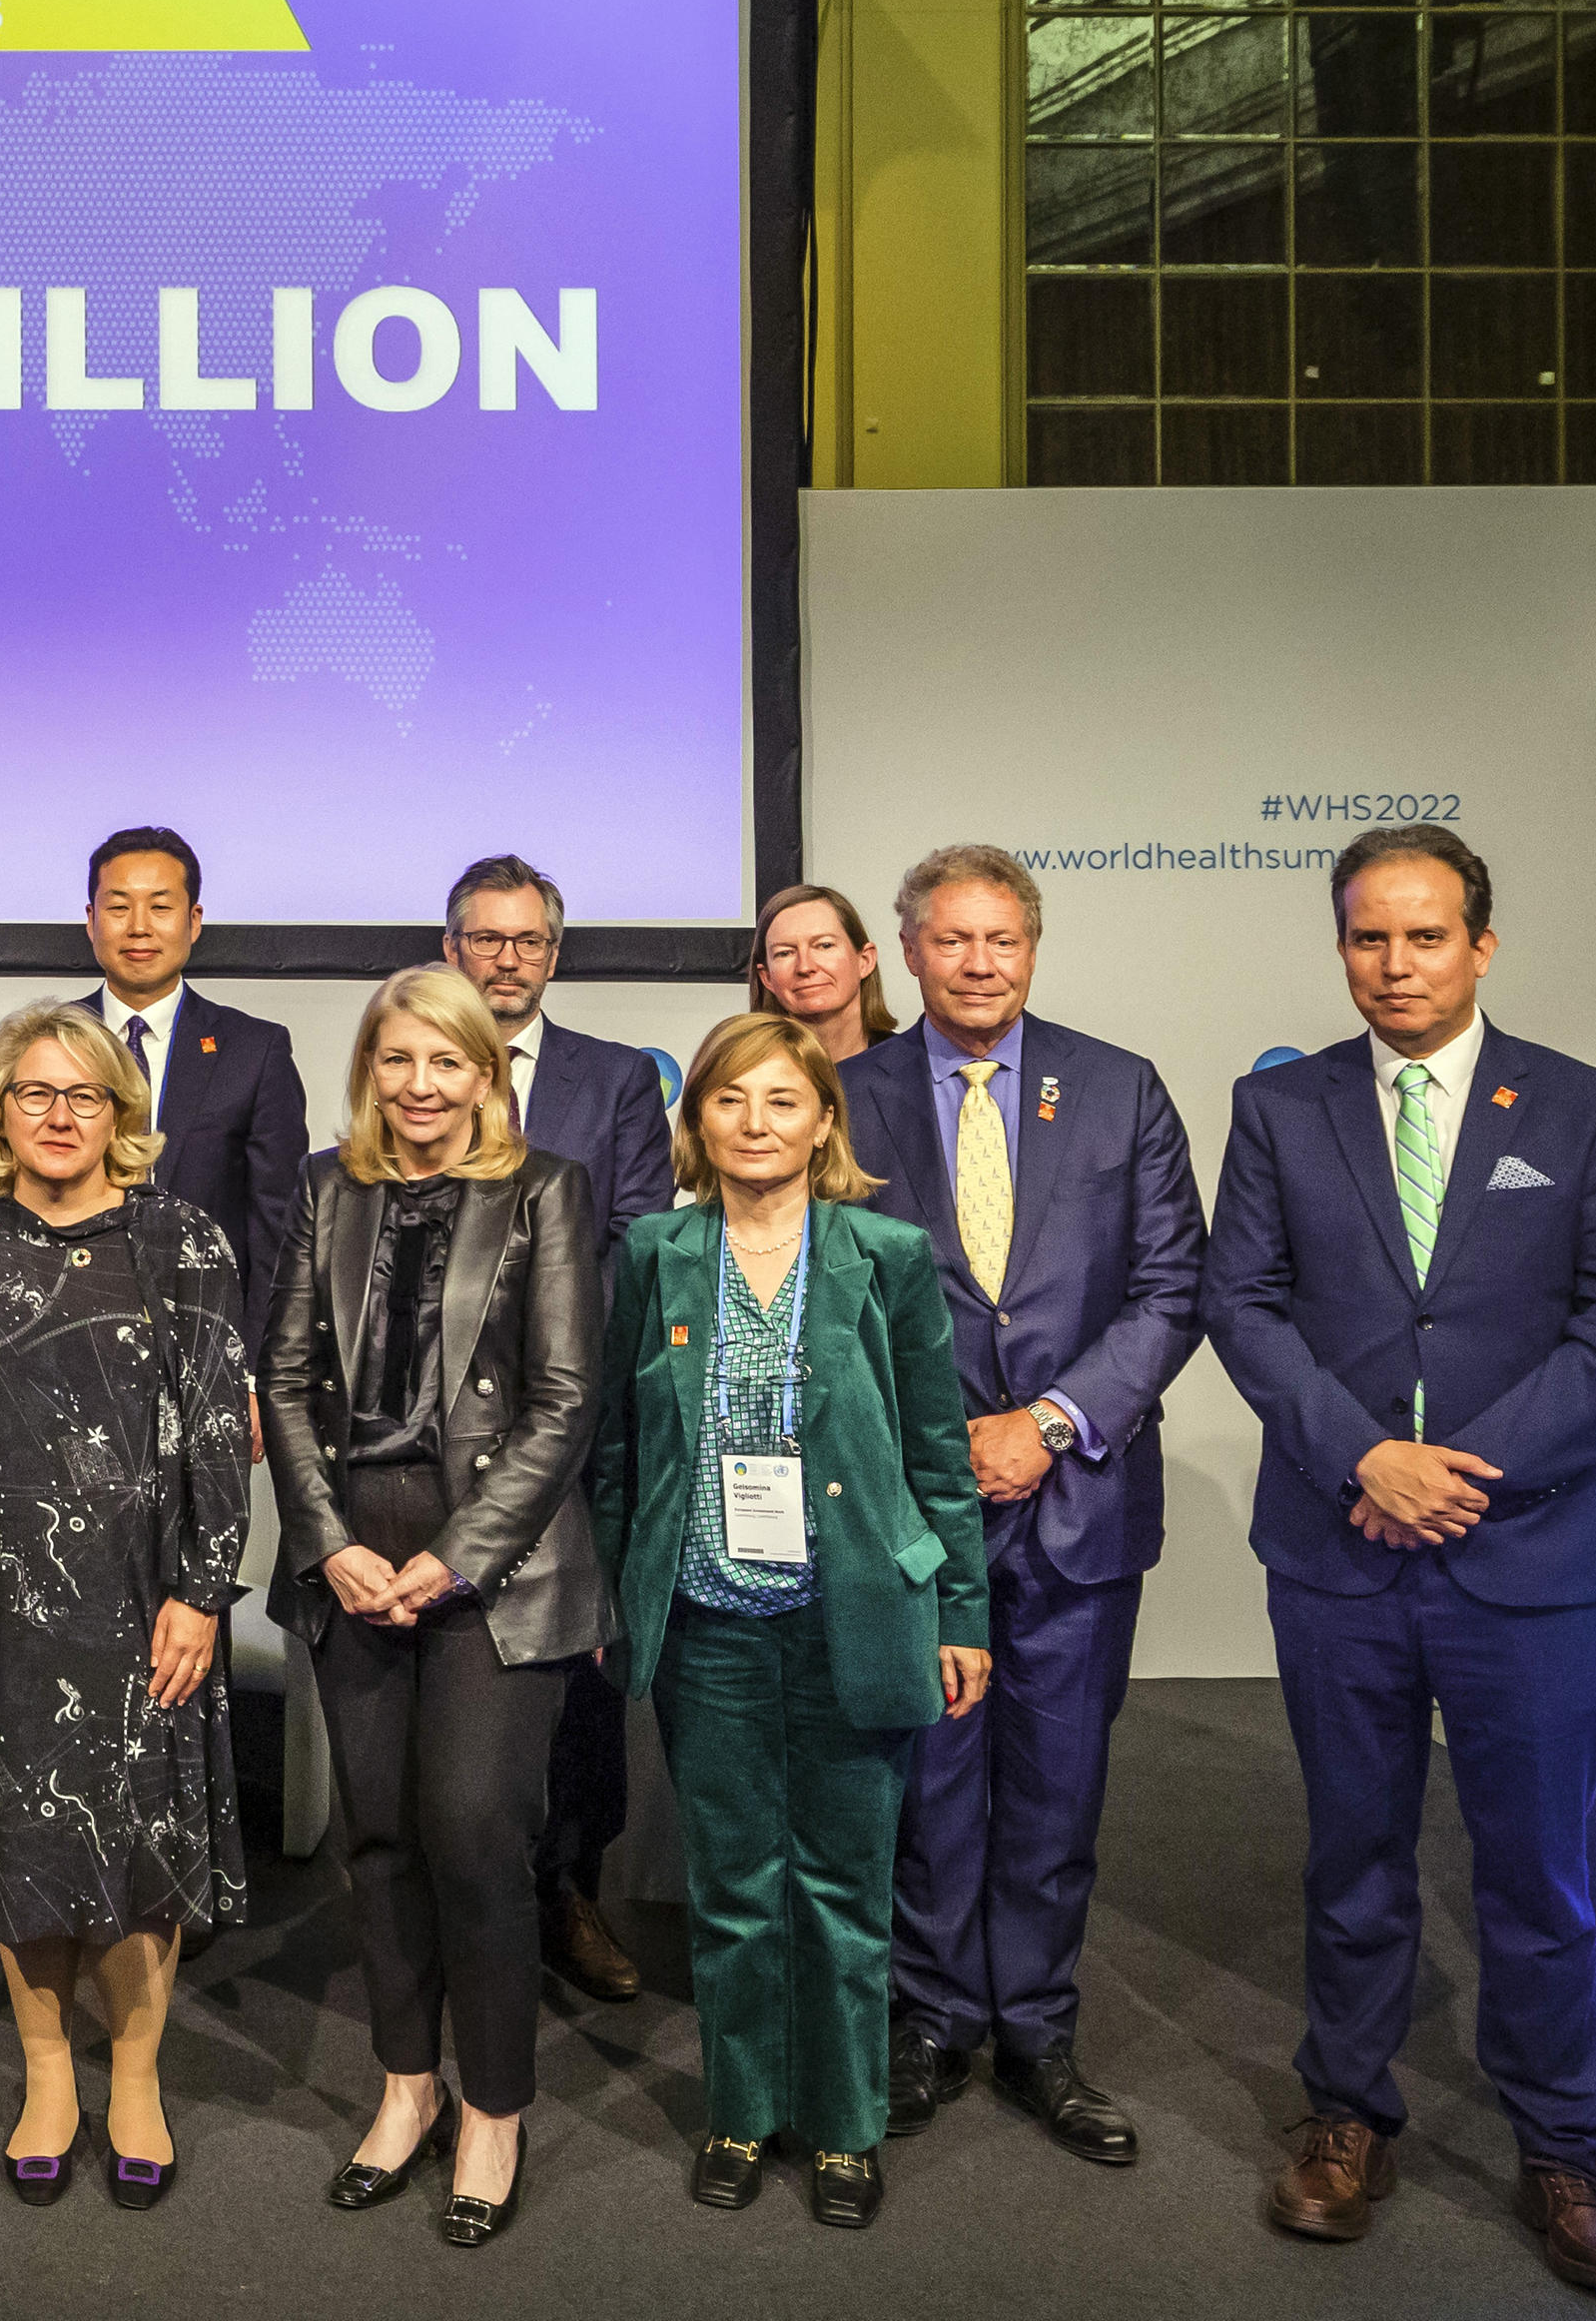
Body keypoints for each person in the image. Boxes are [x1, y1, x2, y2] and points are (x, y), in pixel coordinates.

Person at [1206, 826, 1596, 2296]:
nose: (1392, 966)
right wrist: (1366, 1459)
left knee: (1538, 1876)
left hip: (1529, 1553)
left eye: (1422, 937)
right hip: (1341, 1550)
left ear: (1481, 943)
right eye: (1366, 938)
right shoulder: (1279, 1110)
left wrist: (1460, 1477)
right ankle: (1347, 2118)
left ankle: (1563, 2154)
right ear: (1340, 945)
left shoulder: (1590, 1115)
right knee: (1354, 1860)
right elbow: (1247, 1306)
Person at [589, 1012, 987, 2232]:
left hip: (853, 1613)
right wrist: (619, 1593)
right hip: (707, 1619)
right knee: (734, 1884)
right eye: (728, 1100)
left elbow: (936, 1444)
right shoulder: (655, 1251)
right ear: (696, 1120)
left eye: (781, 1100)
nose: (754, 1123)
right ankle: (741, 2110)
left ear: (823, 1122)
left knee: (843, 1885)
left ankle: (847, 2126)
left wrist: (959, 1607)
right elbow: (614, 1446)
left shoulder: (885, 1251)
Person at [843, 848, 1202, 2165]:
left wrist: (1048, 1425)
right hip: (911, 1511)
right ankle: (931, 2019)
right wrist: (947, 1442)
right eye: (952, 940)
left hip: (1077, 1499)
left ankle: (1040, 2027)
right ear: (911, 950)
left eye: (1002, 939)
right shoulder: (847, 1096)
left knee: (1057, 1785)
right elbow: (822, 1304)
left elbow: (1174, 1288)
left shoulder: (1117, 1089)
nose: (979, 961)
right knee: (930, 1780)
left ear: (1033, 949)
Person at [262, 966, 604, 2245]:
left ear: (486, 1070)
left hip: (496, 1562)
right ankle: (408, 2087)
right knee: (381, 1837)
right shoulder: (321, 1185)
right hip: (356, 1544)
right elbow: (283, 1379)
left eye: (445, 1062)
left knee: (471, 1833)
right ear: (371, 1070)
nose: (419, 1086)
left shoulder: (546, 1188)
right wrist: (328, 1539)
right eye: (397, 1061)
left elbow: (566, 1397)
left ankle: (496, 2108)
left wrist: (459, 1552)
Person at [0, 1003, 252, 2212]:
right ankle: (48, 2071)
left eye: (81, 1094)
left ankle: (136, 2075)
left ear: (119, 1113)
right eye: (32, 1094)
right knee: (22, 1838)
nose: (56, 1115)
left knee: (139, 1843)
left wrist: (203, 1591)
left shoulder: (181, 1239)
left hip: (141, 1597)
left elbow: (214, 1431)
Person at [443, 852, 674, 2007]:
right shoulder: (416, 1063)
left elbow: (635, 1238)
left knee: (578, 1662)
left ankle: (570, 1888)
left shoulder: (616, 1076)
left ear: (553, 952)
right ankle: (470, 1897)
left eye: (527, 939)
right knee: (461, 1667)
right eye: (486, 937)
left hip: (572, 1413)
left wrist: (563, 1374)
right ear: (452, 949)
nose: (507, 957)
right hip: (438, 1432)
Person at [78, 826, 304, 1360]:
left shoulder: (253, 1050)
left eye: (160, 906)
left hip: (207, 1342)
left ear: (193, 921)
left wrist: (253, 1368)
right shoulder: (48, 1044)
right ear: (90, 921)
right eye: (117, 907)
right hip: (71, 1331)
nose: (138, 927)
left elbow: (279, 1231)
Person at [751, 883, 905, 1067]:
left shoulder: (911, 1067)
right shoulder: (744, 1073)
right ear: (766, 977)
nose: (805, 966)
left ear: (865, 961)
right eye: (785, 953)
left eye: (824, 945)